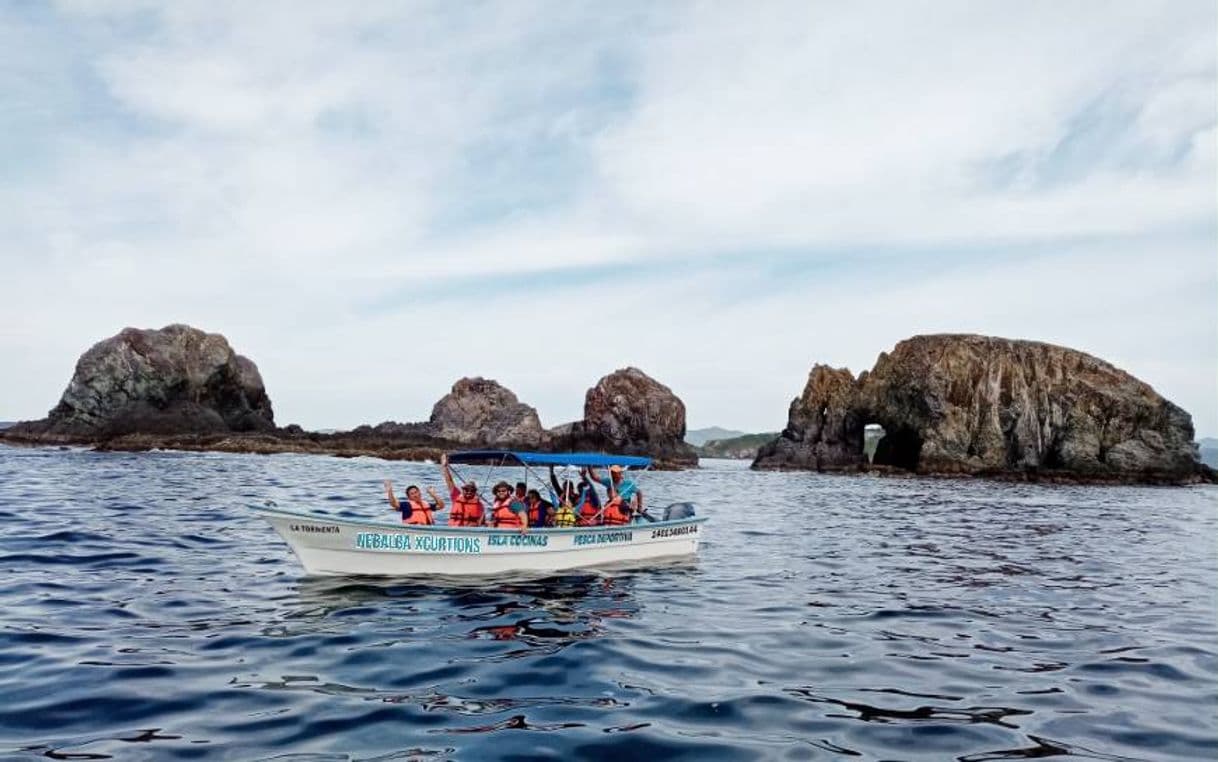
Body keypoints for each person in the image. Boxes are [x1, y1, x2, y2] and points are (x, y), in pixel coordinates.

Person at [441, 453, 485, 527]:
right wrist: (444, 467)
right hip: (454, 530)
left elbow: (481, 522)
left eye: (472, 490)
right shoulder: (456, 496)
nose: (469, 492)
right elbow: (449, 481)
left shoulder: (479, 505)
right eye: (466, 490)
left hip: (469, 532)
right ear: (463, 490)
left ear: (475, 492)